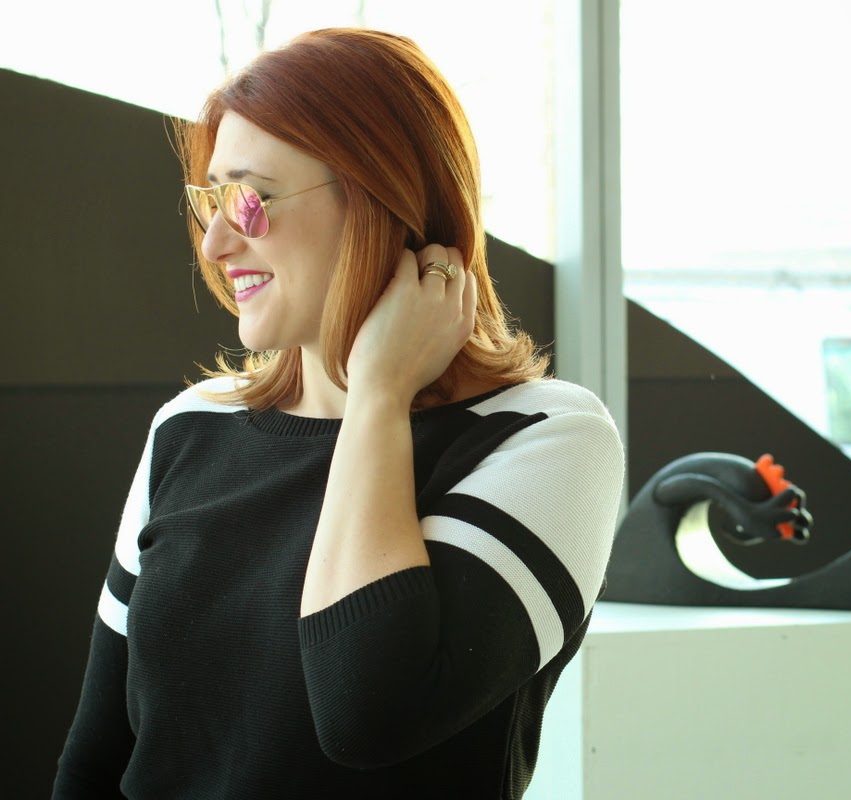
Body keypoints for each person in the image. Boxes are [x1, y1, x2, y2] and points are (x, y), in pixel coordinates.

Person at [53, 28, 624, 799]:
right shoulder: (189, 427)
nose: (216, 242)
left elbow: (367, 716)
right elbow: (94, 761)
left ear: (382, 199)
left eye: (250, 198)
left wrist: (379, 394)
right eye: (213, 199)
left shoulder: (543, 440)